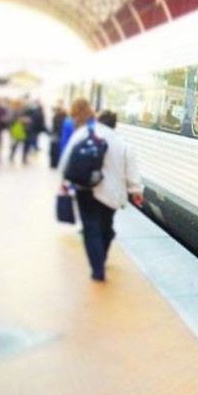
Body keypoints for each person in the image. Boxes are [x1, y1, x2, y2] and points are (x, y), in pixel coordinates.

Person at [59, 99, 144, 282]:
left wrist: (65, 182)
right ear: (114, 125)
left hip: (86, 189)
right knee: (105, 228)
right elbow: (132, 174)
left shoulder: (82, 134)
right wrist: (136, 191)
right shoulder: (123, 144)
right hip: (112, 195)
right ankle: (102, 258)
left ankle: (98, 269)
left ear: (97, 120)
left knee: (91, 229)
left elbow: (66, 160)